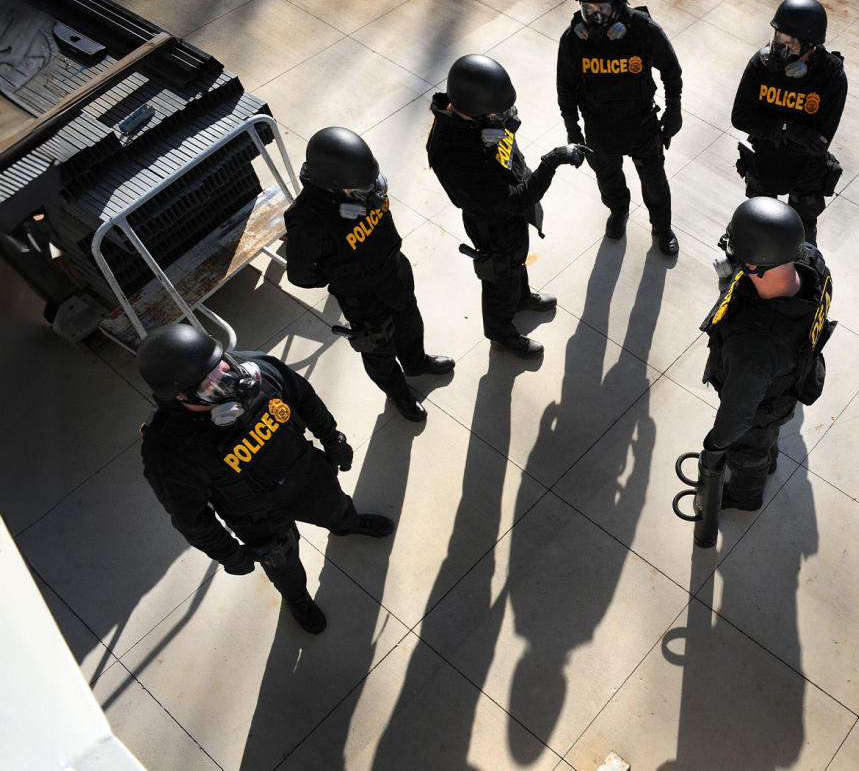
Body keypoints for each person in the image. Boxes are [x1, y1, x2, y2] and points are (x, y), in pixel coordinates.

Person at [136, 324, 395, 634]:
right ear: (179, 395)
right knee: (283, 566)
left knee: (337, 508)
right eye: (210, 387)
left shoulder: (258, 368)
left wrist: (332, 438)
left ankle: (347, 525)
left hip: (306, 474)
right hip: (257, 517)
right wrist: (230, 554)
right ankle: (297, 598)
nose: (230, 385)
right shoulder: (169, 451)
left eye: (223, 370)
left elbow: (304, 397)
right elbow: (191, 517)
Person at [284, 127, 453, 422]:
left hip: (394, 270)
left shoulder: (360, 179)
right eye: (360, 191)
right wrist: (338, 276)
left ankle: (416, 363)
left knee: (411, 324)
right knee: (379, 351)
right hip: (363, 297)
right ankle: (398, 393)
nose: (371, 193)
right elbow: (300, 275)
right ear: (331, 186)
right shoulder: (308, 221)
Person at [426, 53, 588, 360]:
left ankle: (521, 297)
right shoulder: (455, 154)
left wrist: (503, 127)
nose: (500, 116)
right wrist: (554, 159)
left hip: (507, 218)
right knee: (500, 279)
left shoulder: (471, 114)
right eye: (495, 112)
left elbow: (503, 154)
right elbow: (517, 199)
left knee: (516, 264)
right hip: (494, 224)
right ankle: (501, 335)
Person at [700, 197, 834, 511]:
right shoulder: (812, 262)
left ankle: (745, 495)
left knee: (746, 452)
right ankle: (768, 458)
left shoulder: (754, 348)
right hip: (785, 385)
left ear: (752, 265)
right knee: (767, 437)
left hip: (759, 407)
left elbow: (737, 415)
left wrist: (714, 447)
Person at [556, 0, 683, 256]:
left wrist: (674, 109)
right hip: (600, 129)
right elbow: (565, 87)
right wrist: (572, 128)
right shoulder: (573, 40)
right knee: (608, 179)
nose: (595, 18)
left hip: (641, 124)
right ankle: (618, 212)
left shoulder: (644, 30)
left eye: (602, 10)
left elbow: (671, 71)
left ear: (620, 7)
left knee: (654, 184)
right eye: (589, 10)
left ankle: (662, 228)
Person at [730, 0, 847, 248]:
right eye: (779, 37)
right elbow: (740, 117)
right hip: (764, 164)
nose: (781, 47)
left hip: (806, 173)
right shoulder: (761, 65)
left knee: (802, 242)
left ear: (810, 45)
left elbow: (818, 143)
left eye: (791, 42)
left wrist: (767, 127)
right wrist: (791, 130)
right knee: (756, 234)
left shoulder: (831, 76)